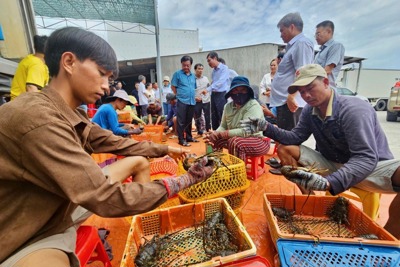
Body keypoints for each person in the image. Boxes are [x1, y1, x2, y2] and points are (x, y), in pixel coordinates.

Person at [0, 26, 215, 267]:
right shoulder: (38, 120)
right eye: (101, 74)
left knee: (138, 161)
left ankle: (143, 230)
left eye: (109, 79)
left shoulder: (68, 113)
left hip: (62, 202)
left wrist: (167, 149)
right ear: (69, 62)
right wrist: (184, 180)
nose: (106, 87)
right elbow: (105, 197)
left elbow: (114, 142)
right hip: (28, 232)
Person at [240, 64, 400, 238]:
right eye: (301, 91)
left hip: (369, 169)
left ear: (325, 82)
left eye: (310, 88)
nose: (306, 95)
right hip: (332, 164)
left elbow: (365, 158)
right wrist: (266, 127)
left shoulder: (353, 109)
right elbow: (295, 137)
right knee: (286, 149)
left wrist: (329, 182)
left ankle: (388, 240)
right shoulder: (310, 110)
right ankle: (313, 204)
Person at [204, 76, 270, 161]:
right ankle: (214, 165)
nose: (239, 93)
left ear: (248, 92)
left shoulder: (253, 106)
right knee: (212, 139)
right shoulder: (228, 106)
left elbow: (246, 131)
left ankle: (237, 172)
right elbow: (223, 126)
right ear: (231, 93)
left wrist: (222, 134)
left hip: (258, 141)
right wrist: (215, 133)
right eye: (236, 90)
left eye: (243, 90)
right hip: (236, 138)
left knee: (235, 142)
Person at [271, 12, 314, 131]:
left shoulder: (302, 44)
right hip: (286, 102)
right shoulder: (292, 47)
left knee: (290, 143)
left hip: (291, 103)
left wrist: (291, 96)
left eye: (282, 30)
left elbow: (303, 73)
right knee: (284, 142)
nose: (281, 35)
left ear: (292, 27)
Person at [10, 35, 49, 100]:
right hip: (23, 105)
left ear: (34, 47)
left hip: (18, 102)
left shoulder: (30, 59)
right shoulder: (37, 65)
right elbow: (31, 88)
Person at [171, 55, 198, 147]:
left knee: (189, 120)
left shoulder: (193, 76)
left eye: (187, 65)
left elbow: (194, 88)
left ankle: (189, 137)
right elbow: (173, 86)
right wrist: (178, 95)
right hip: (182, 100)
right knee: (181, 121)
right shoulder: (177, 74)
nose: (186, 67)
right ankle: (181, 139)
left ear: (190, 65)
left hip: (191, 101)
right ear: (181, 65)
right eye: (184, 65)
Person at [314, 20, 345, 89]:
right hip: (316, 89)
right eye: (315, 35)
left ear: (328, 31)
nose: (316, 37)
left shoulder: (336, 46)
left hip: (326, 90)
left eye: (318, 34)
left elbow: (327, 70)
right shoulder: (318, 53)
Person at [206, 51, 230, 130]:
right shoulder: (213, 71)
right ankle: (215, 134)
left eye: (209, 60)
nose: (208, 63)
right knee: (214, 115)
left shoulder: (224, 68)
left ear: (215, 58)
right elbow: (214, 82)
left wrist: (208, 89)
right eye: (207, 61)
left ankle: (224, 134)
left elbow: (220, 82)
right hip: (214, 94)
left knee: (221, 114)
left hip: (221, 95)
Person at [194, 63, 211, 136]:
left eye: (201, 69)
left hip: (206, 100)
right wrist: (195, 98)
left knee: (207, 116)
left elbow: (209, 88)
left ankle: (208, 130)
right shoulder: (192, 79)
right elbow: (190, 91)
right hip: (197, 101)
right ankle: (199, 131)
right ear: (195, 70)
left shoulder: (206, 78)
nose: (200, 70)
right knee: (197, 117)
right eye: (199, 69)